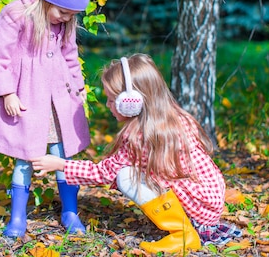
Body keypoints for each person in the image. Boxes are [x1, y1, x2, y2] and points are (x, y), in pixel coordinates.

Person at [31, 54, 243, 254]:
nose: (107, 106)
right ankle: (181, 222)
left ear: (131, 102)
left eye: (112, 100)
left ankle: (183, 233)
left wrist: (59, 164)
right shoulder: (175, 118)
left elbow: (103, 172)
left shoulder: (139, 137)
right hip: (209, 200)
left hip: (199, 210)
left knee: (124, 175)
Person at [0, 0, 93, 238]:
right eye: (62, 11)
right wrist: (6, 93)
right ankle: (17, 218)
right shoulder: (16, 14)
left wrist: (78, 87)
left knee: (63, 155)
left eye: (71, 14)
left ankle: (70, 212)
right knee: (25, 156)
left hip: (58, 100)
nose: (66, 18)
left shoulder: (64, 23)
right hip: (27, 98)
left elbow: (70, 55)